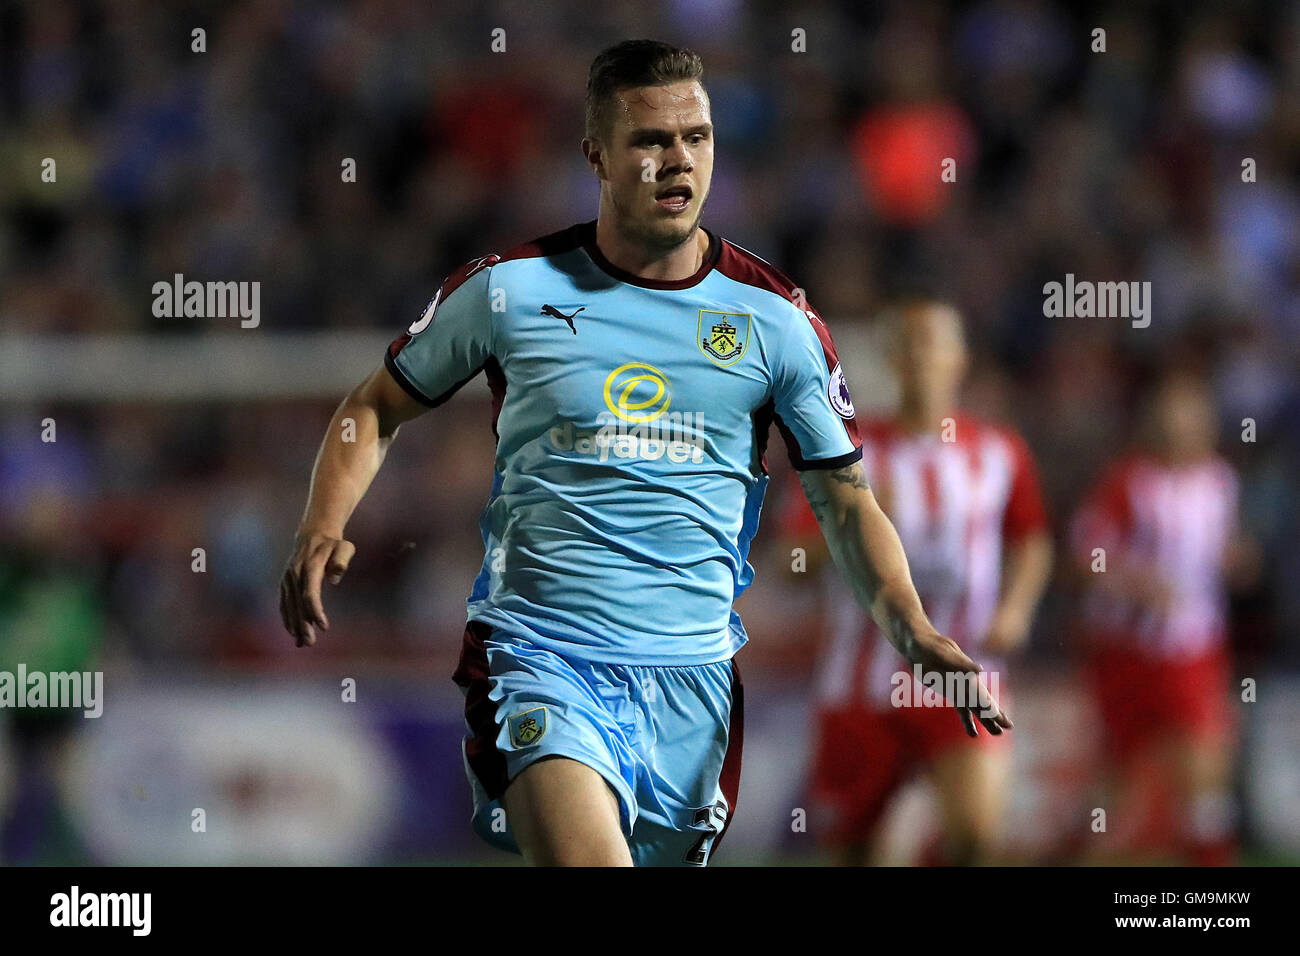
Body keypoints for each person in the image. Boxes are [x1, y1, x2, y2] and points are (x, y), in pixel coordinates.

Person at [279, 39, 1008, 867]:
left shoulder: (776, 321)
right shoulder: (512, 290)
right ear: (596, 154)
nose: (677, 160)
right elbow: (375, 406)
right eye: (650, 140)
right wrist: (321, 521)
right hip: (540, 656)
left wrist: (910, 626)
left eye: (695, 138)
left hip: (691, 682)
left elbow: (845, 498)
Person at [782, 299, 1052, 865]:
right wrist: (851, 531)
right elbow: (792, 562)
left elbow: (1032, 539)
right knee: (855, 853)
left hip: (965, 668)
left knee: (976, 834)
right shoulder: (845, 452)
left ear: (961, 357)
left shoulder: (999, 452)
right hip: (860, 683)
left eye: (934, 340)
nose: (921, 354)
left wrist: (1016, 609)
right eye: (908, 342)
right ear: (890, 358)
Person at [1070, 372, 1253, 865]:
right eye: (1171, 416)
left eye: (1190, 417)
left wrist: (1237, 559)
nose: (1180, 427)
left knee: (1204, 777)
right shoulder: (1128, 482)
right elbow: (1088, 556)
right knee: (1115, 790)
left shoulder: (1220, 482)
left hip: (1195, 651)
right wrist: (1134, 582)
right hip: (1126, 655)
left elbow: (1223, 548)